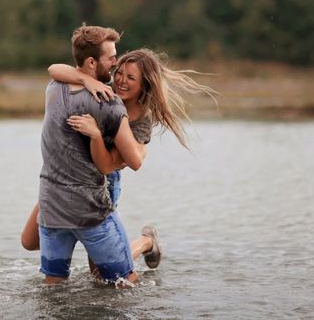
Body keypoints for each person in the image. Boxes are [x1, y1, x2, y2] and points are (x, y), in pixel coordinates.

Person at [22, 46, 217, 280]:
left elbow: (119, 163)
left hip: (101, 182)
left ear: (144, 84)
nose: (121, 81)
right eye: (120, 73)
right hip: (64, 178)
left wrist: (109, 140)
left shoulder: (140, 117)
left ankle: (146, 242)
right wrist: (87, 79)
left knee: (102, 275)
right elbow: (55, 69)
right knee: (29, 241)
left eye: (131, 78)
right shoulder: (106, 89)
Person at [33, 24, 147, 286]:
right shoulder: (109, 102)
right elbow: (135, 161)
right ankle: (146, 243)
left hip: (51, 209)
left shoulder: (53, 87)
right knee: (125, 283)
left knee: (53, 287)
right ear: (92, 61)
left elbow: (55, 68)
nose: (115, 63)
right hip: (89, 211)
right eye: (111, 58)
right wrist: (141, 146)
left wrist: (84, 78)